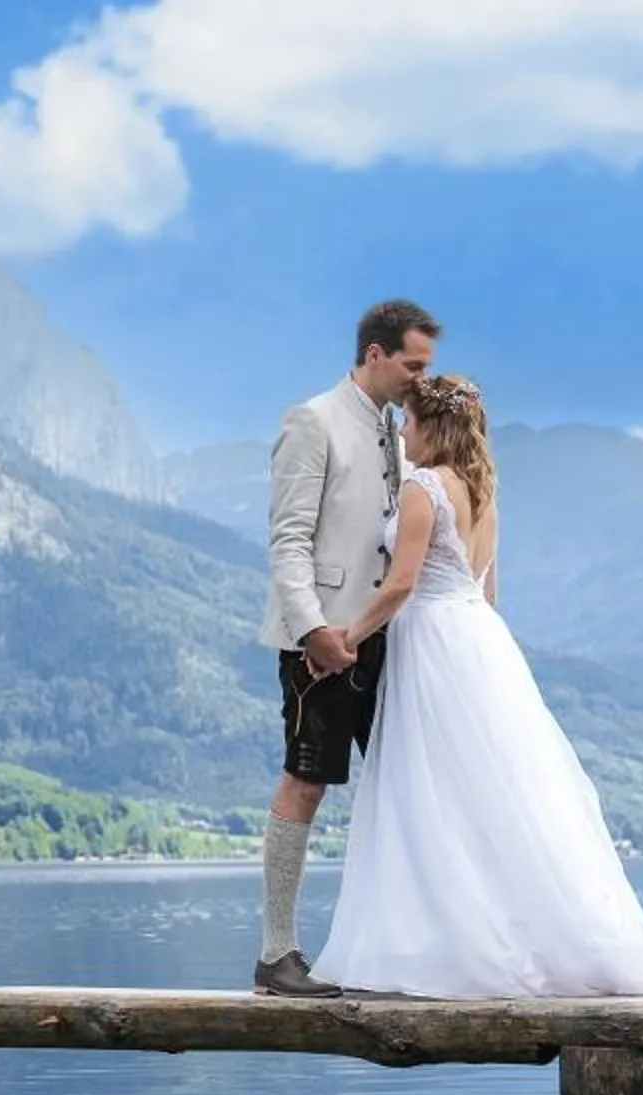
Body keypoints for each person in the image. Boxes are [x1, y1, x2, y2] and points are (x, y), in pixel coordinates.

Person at [309, 374, 643, 1000]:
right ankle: (565, 941)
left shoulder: (425, 488)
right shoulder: (485, 492)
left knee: (431, 792)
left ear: (431, 427)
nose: (402, 433)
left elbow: (399, 585)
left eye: (409, 423)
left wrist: (346, 638)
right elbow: (489, 591)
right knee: (501, 792)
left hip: (432, 643)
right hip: (481, 641)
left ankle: (445, 944)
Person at [254, 301, 439, 997]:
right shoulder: (314, 421)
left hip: (387, 642)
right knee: (307, 780)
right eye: (413, 365)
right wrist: (313, 631)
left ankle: (414, 950)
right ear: (374, 356)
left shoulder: (396, 431)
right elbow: (288, 538)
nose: (422, 379)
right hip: (322, 641)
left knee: (404, 790)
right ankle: (277, 956)